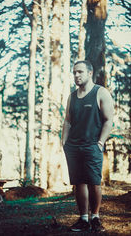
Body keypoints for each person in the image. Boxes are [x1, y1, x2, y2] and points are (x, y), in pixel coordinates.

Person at [62, 60, 114, 232]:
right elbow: (68, 121)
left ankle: (95, 217)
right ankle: (83, 219)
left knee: (94, 182)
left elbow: (108, 121)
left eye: (80, 72)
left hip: (93, 145)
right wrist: (64, 141)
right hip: (73, 147)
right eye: (74, 72)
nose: (76, 75)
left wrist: (100, 142)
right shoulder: (72, 96)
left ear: (90, 73)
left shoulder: (100, 92)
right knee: (79, 183)